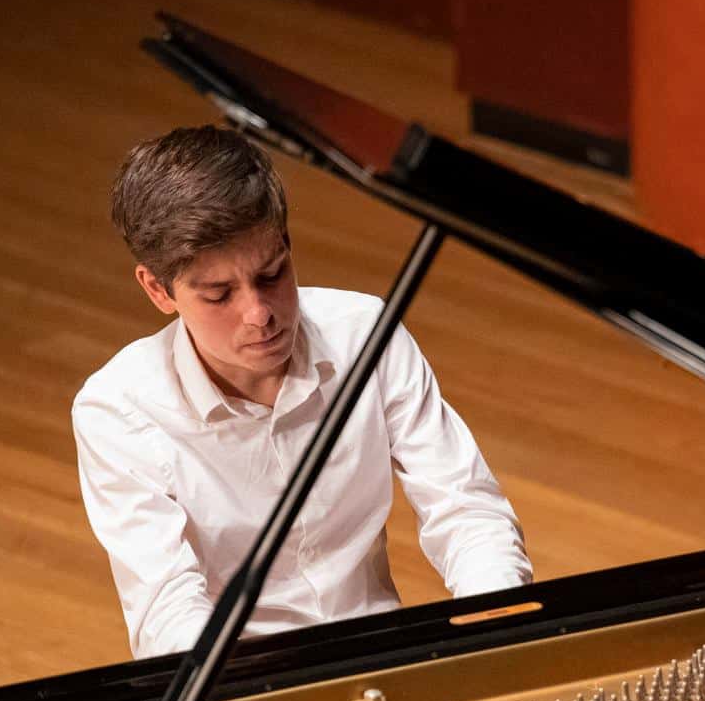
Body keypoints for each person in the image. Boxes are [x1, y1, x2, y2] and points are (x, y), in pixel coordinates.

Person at [73, 125, 532, 658]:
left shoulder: (367, 336)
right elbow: (169, 610)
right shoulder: (118, 412)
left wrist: (492, 628)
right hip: (236, 679)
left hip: (380, 653)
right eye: (219, 295)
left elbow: (466, 508)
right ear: (158, 289)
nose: (259, 314)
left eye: (272, 274)